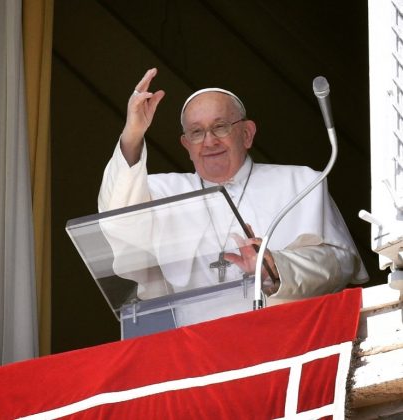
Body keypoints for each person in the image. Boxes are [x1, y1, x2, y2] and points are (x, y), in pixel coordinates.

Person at [98, 68, 368, 323]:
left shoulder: (301, 182)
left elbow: (340, 263)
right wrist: (133, 133)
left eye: (221, 127)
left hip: (285, 335)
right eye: (196, 132)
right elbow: (117, 220)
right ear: (186, 145)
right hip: (193, 350)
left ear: (247, 133)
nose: (209, 141)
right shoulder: (162, 192)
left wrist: (275, 267)